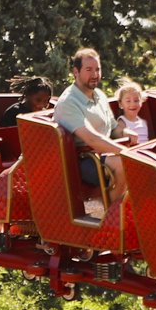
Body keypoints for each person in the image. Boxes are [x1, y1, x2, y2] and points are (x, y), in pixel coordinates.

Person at [53, 47, 128, 204]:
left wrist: (127, 134)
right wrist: (128, 153)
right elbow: (92, 139)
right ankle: (112, 217)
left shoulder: (100, 95)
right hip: (82, 160)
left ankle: (127, 213)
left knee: (144, 162)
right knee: (126, 165)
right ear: (76, 72)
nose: (95, 75)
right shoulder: (68, 102)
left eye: (97, 69)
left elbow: (114, 128)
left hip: (104, 154)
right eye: (89, 69)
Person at [114, 79, 149, 145]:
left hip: (145, 151)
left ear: (141, 102)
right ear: (121, 104)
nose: (132, 104)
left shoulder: (143, 122)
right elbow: (121, 138)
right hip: (133, 152)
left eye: (136, 100)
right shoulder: (122, 121)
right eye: (128, 101)